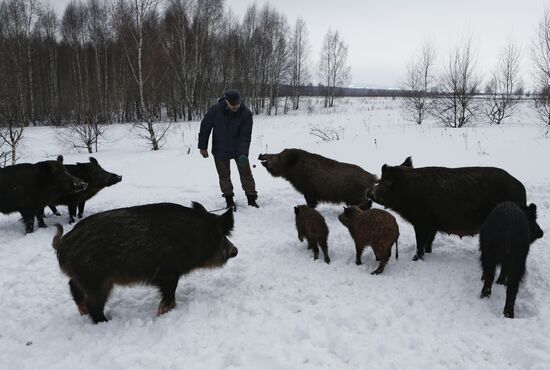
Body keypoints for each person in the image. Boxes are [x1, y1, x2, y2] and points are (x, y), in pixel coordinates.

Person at [198, 89, 259, 210]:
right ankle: (229, 200)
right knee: (224, 176)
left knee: (246, 174)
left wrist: (243, 153)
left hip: (238, 149)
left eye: (237, 105)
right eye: (232, 105)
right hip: (220, 148)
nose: (235, 107)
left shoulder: (246, 113)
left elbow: (245, 136)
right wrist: (202, 146)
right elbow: (205, 127)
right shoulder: (215, 110)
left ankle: (251, 199)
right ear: (226, 102)